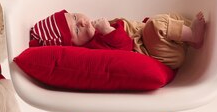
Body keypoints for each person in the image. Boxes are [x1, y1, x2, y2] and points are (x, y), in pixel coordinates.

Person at [29, 10, 206, 70]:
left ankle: (187, 36)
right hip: (159, 54)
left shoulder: (95, 34)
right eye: (76, 29)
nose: (82, 22)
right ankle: (193, 37)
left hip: (164, 45)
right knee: (157, 24)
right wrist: (108, 31)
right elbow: (125, 47)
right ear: (74, 46)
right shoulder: (93, 48)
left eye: (75, 17)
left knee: (170, 17)